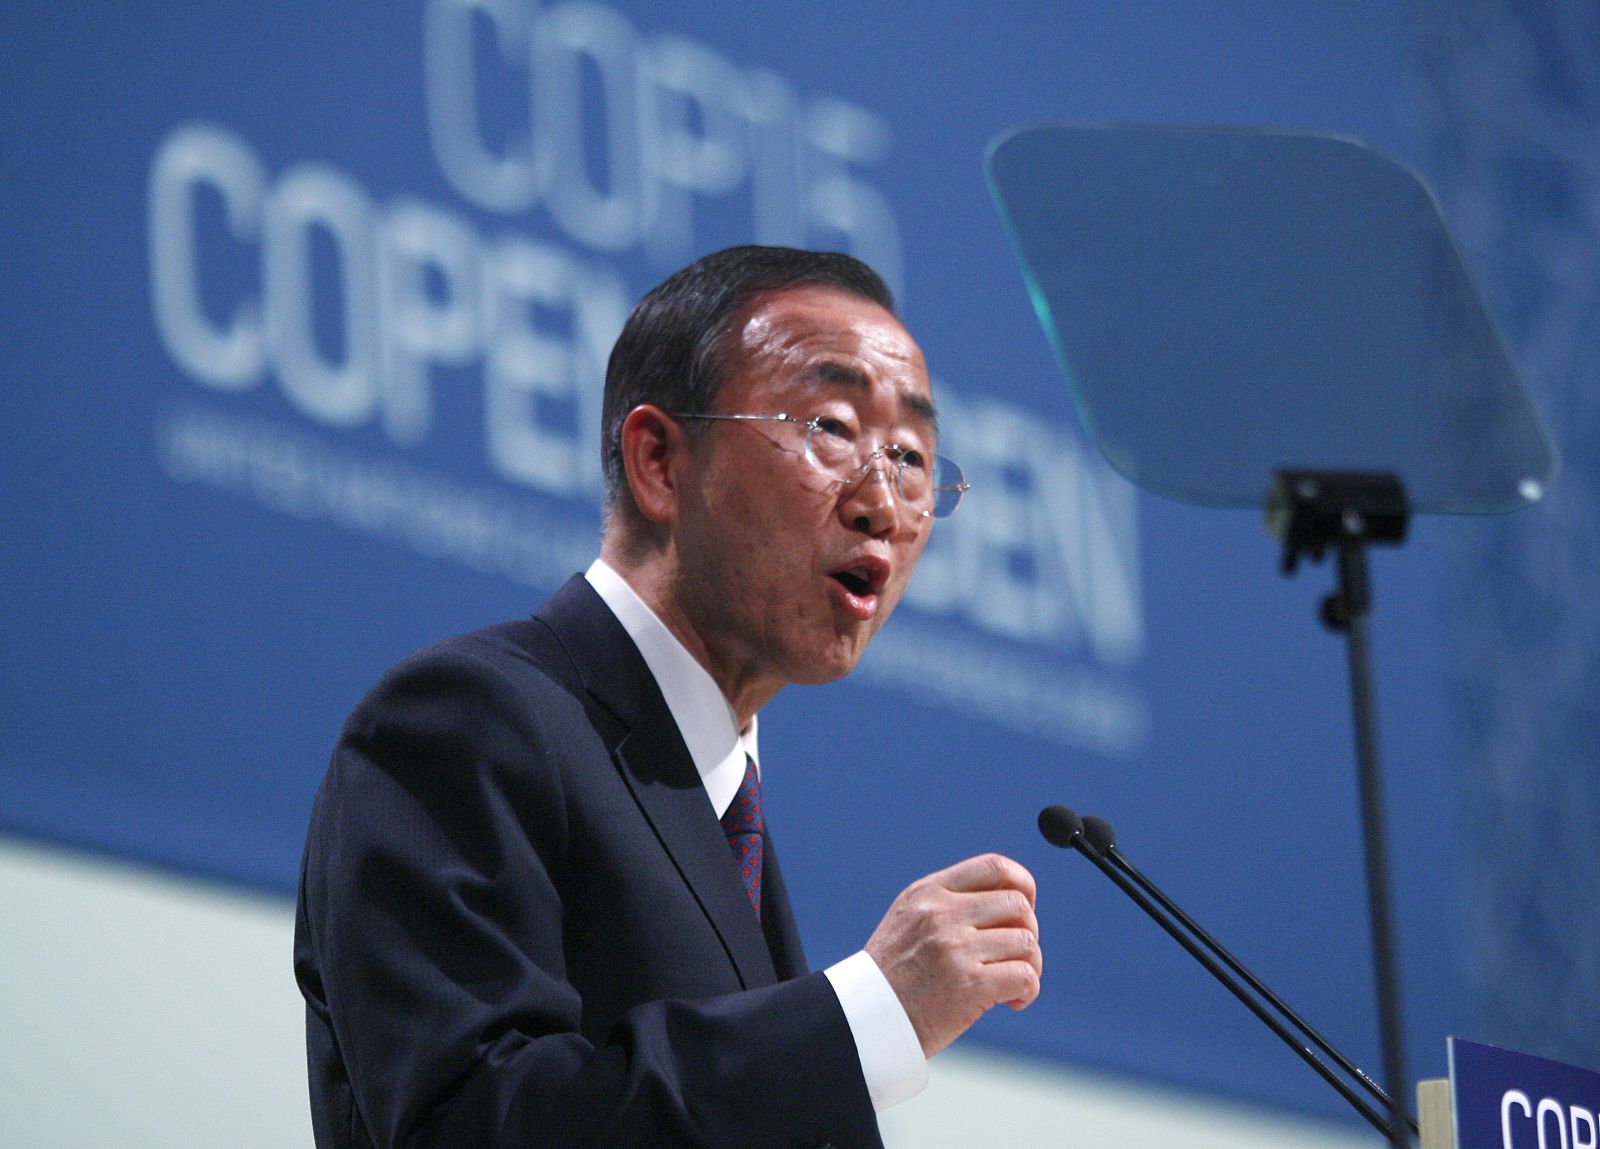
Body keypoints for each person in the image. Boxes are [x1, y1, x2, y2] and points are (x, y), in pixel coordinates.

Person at [293, 246, 1043, 1148]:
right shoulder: (465, 721)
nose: (883, 501)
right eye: (833, 427)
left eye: (913, 456)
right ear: (657, 462)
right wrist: (865, 1017)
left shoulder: (724, 811)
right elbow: (474, 1122)